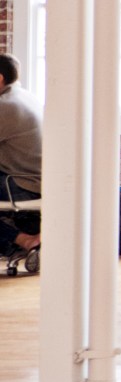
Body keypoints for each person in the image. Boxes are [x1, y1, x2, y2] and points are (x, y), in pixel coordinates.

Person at [0, 53, 43, 258]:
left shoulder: (6, 106)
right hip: (34, 179)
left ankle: (23, 239)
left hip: (22, 184)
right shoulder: (24, 96)